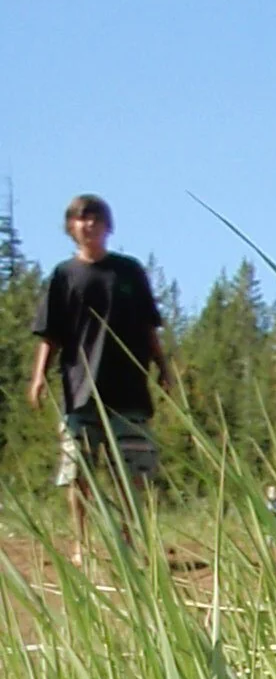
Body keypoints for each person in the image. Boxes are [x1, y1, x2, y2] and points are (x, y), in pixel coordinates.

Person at [29, 195, 170, 565]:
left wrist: (164, 368)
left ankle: (128, 542)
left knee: (132, 474)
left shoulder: (128, 272)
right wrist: (38, 377)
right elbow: (51, 333)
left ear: (108, 226)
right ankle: (81, 544)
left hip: (129, 390)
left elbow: (148, 326)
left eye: (95, 219)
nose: (87, 225)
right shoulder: (63, 276)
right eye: (79, 219)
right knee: (77, 474)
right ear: (70, 228)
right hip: (80, 391)